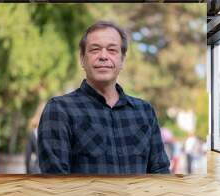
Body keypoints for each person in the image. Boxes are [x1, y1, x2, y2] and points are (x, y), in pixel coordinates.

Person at [37, 21, 170, 174]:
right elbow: (55, 181)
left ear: (122, 60)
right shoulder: (60, 110)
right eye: (95, 50)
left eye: (112, 50)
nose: (103, 56)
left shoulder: (145, 112)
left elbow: (160, 173)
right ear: (82, 59)